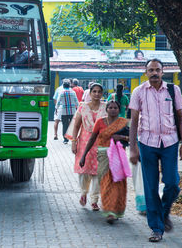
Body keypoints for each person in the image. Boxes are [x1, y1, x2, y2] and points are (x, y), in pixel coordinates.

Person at [129, 58, 182, 242]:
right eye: (151, 70)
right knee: (151, 186)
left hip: (170, 142)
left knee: (172, 183)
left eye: (157, 70)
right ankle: (156, 228)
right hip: (146, 143)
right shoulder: (138, 92)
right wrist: (133, 148)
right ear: (146, 72)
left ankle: (163, 212)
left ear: (163, 72)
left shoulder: (173, 90)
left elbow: (180, 117)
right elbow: (133, 121)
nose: (154, 73)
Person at [79, 100, 129, 224]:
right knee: (105, 181)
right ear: (106, 109)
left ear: (119, 109)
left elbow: (131, 138)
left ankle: (114, 211)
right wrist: (83, 155)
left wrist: (121, 137)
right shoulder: (100, 122)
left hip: (118, 155)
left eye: (115, 108)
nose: (113, 110)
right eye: (110, 107)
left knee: (117, 183)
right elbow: (92, 138)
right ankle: (108, 210)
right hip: (103, 154)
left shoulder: (123, 123)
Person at [70, 83, 107, 211]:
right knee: (84, 170)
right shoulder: (83, 108)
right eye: (94, 91)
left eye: (99, 92)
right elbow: (76, 126)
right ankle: (84, 193)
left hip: (101, 142)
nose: (96, 94)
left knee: (98, 172)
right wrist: (74, 142)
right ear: (90, 93)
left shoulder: (106, 108)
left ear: (102, 94)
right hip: (85, 142)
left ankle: (94, 200)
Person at [55, 79, 79, 144]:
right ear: (69, 86)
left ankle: (65, 139)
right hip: (72, 111)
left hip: (64, 111)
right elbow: (76, 101)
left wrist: (56, 108)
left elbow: (58, 101)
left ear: (63, 86)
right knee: (72, 125)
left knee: (65, 125)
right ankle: (72, 137)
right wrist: (79, 108)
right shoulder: (73, 92)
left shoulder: (61, 93)